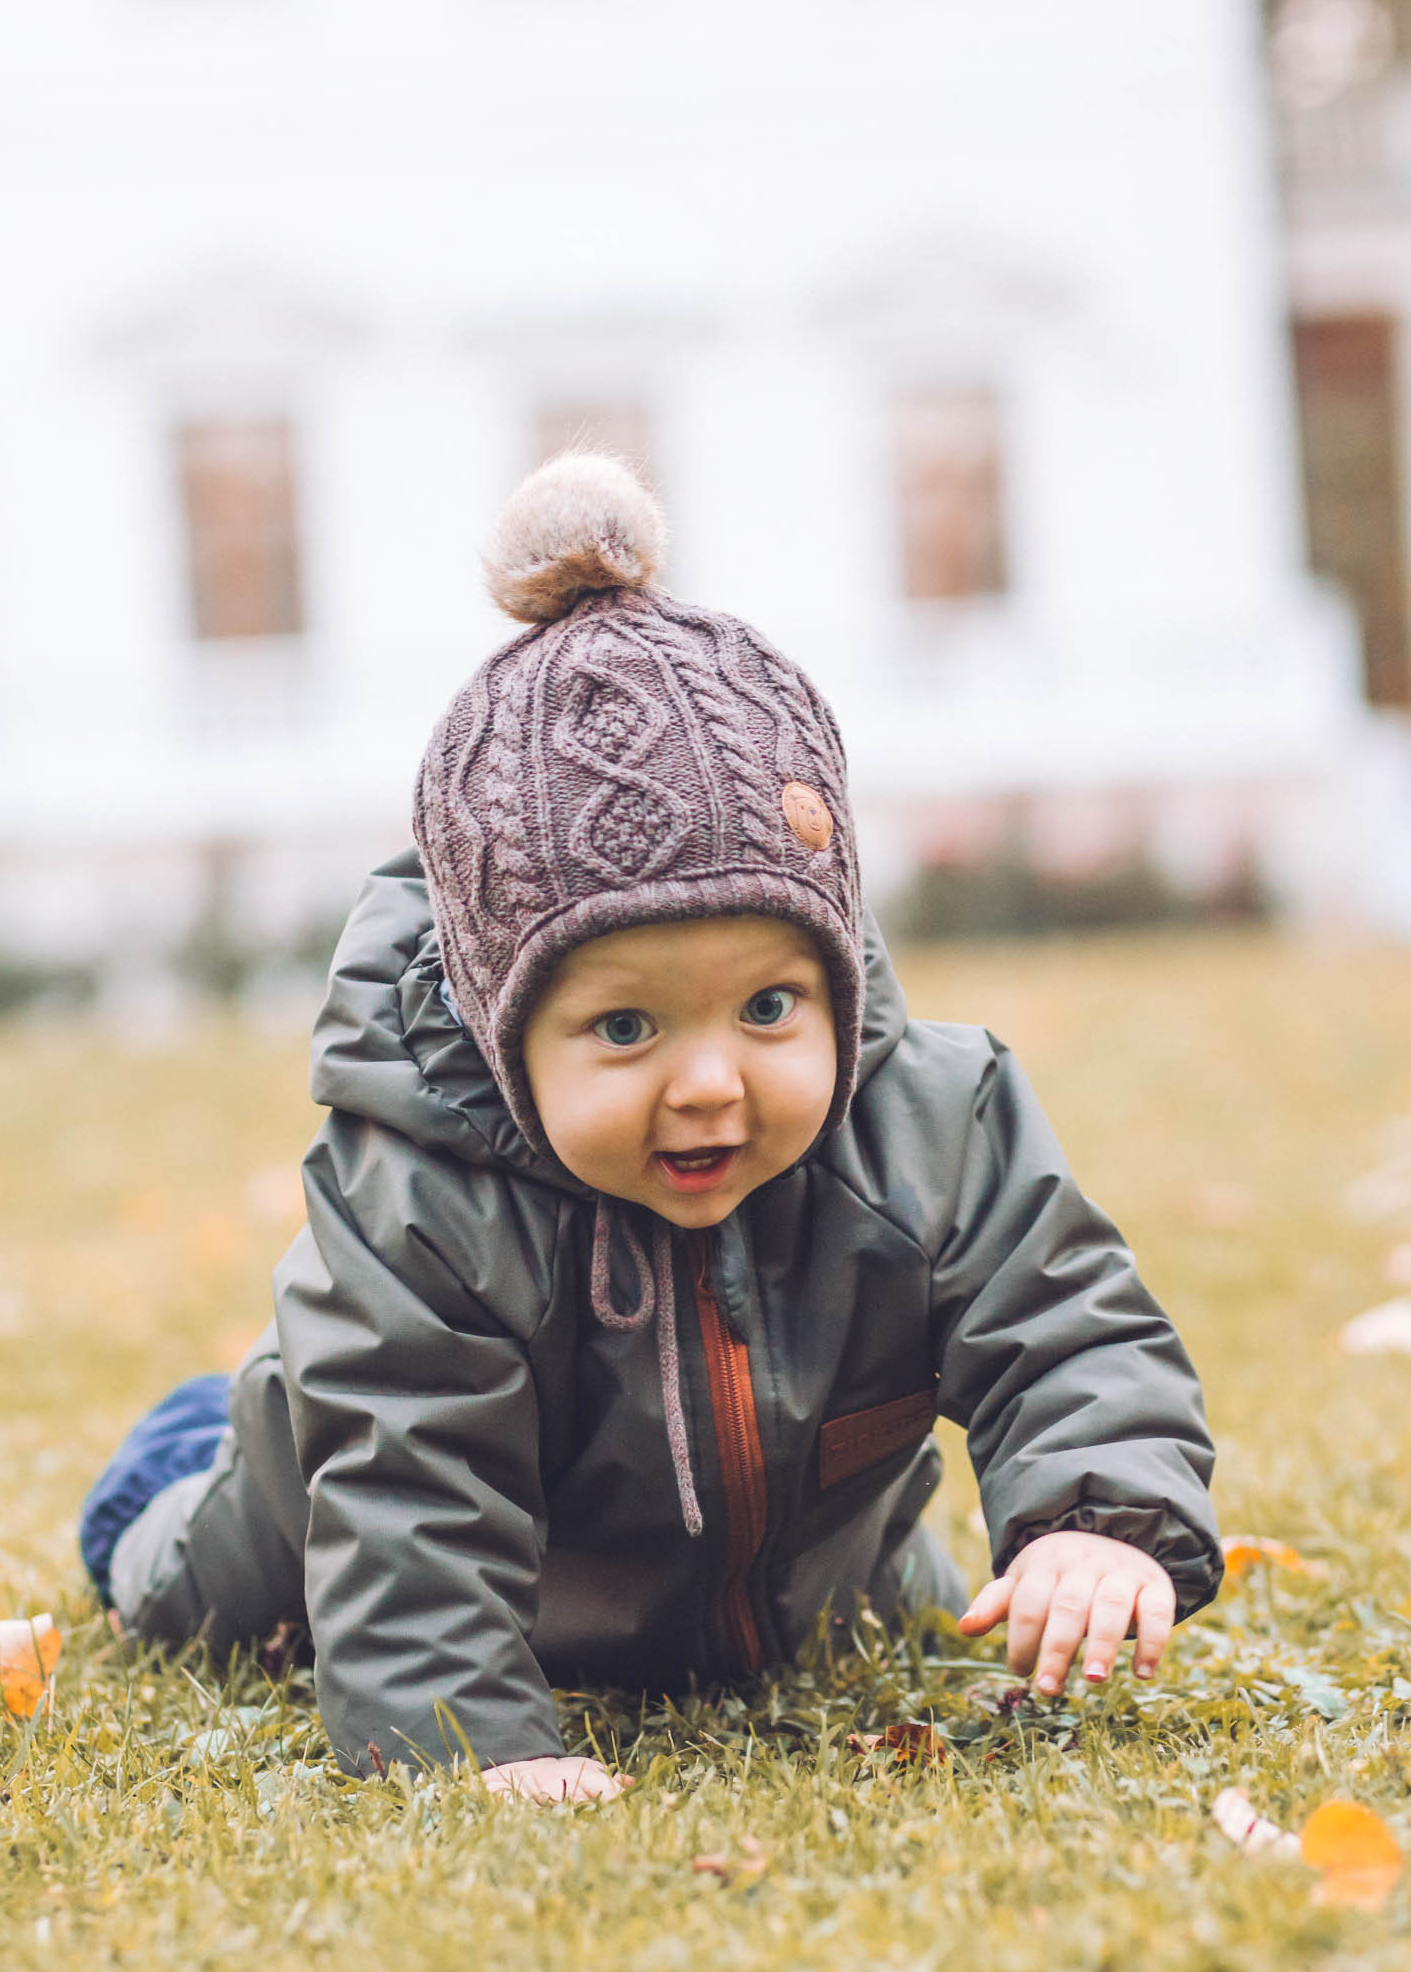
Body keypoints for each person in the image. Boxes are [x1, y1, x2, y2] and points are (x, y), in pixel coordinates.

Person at [82, 454, 1220, 1803]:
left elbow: (1068, 1326)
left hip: (807, 1570)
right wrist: (474, 1744)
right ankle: (181, 1452)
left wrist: (1097, 1519)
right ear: (502, 1027)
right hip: (315, 1512)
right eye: (626, 1027)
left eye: (770, 1007)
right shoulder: (426, 1207)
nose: (710, 1085)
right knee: (190, 1586)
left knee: (887, 1573)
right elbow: (405, 1493)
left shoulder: (932, 1128)